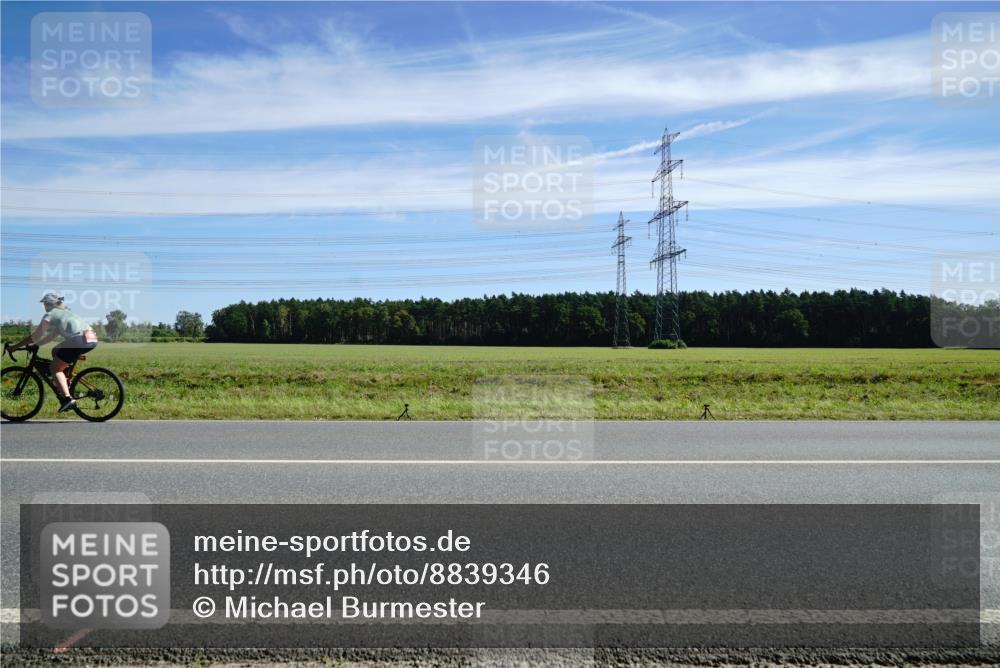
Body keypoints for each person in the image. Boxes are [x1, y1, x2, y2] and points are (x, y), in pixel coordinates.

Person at [8, 292, 99, 412]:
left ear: (49, 304)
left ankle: (67, 399)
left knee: (54, 368)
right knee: (55, 351)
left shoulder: (50, 314)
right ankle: (66, 378)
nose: (44, 307)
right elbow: (51, 336)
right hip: (92, 338)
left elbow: (36, 335)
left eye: (45, 304)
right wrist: (37, 345)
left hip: (77, 340)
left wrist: (14, 346)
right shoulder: (67, 313)